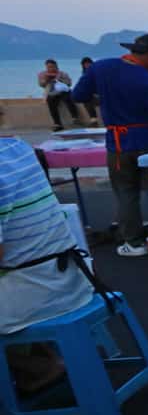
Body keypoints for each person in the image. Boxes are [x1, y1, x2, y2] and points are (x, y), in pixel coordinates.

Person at [73, 34, 148, 257]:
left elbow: (79, 95)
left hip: (118, 143)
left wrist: (108, 99)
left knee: (126, 192)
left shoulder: (100, 68)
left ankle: (134, 243)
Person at [0, 136, 96, 392]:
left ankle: (39, 366)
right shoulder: (17, 147)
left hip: (31, 293)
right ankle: (40, 359)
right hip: (70, 278)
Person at [38, 59, 80, 131]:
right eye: (49, 67)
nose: (51, 68)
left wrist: (59, 79)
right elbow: (41, 84)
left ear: (56, 66)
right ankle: (57, 123)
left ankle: (75, 117)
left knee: (68, 99)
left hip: (63, 91)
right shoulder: (43, 74)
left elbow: (69, 83)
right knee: (50, 102)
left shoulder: (62, 73)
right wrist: (47, 80)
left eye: (52, 67)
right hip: (52, 92)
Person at [75, 56, 102, 124]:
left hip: (101, 95)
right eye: (85, 64)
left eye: (88, 63)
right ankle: (94, 120)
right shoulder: (84, 74)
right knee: (86, 100)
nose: (87, 65)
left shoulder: (98, 72)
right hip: (93, 96)